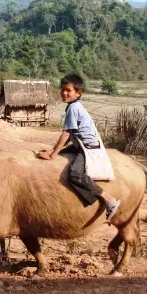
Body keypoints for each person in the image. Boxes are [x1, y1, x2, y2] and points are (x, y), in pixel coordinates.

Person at [38, 74, 121, 220]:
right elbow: (70, 135)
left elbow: (66, 133)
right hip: (79, 144)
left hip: (87, 147)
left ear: (78, 93)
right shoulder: (73, 106)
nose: (64, 93)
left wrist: (52, 155)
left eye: (68, 90)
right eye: (62, 89)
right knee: (60, 153)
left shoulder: (73, 108)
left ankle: (109, 199)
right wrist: (53, 150)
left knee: (75, 174)